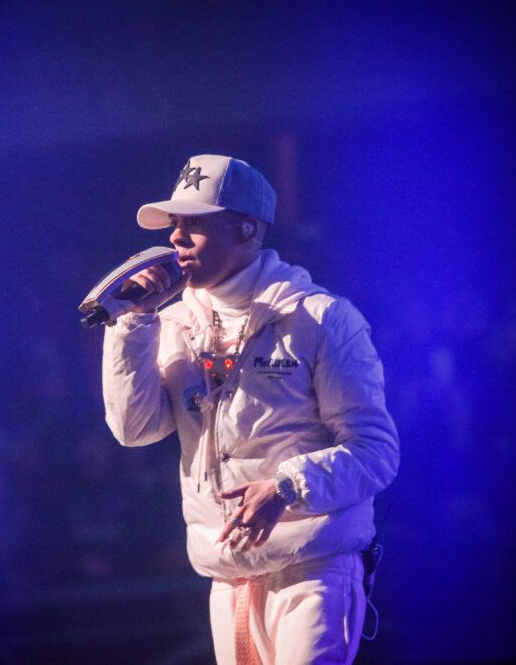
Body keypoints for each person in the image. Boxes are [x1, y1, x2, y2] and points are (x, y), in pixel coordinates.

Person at [100, 154, 399, 664]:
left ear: (247, 228)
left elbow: (376, 453)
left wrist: (285, 488)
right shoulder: (170, 323)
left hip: (314, 568)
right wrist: (131, 323)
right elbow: (134, 429)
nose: (176, 237)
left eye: (195, 223)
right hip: (228, 576)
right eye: (175, 223)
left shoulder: (321, 318)